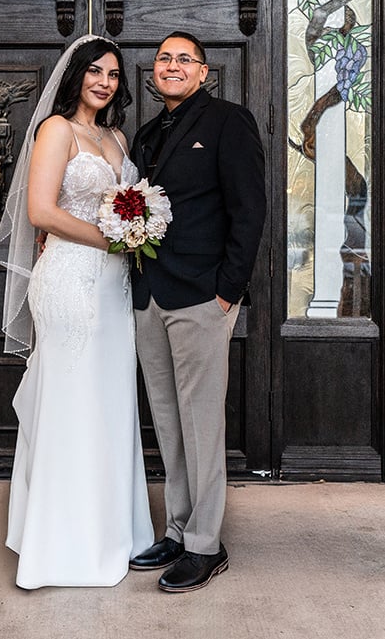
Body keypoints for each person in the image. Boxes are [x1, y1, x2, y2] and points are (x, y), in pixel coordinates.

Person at [0, 35, 154, 589]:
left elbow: (124, 206)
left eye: (113, 74)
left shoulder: (116, 135)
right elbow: (41, 210)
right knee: (71, 397)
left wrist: (133, 235)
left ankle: (114, 531)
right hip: (69, 280)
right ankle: (60, 544)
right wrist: (113, 241)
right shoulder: (56, 129)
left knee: (108, 400)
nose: (105, 82)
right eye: (95, 72)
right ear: (76, 75)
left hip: (113, 287)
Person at [129, 31, 266, 594]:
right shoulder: (145, 133)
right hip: (149, 296)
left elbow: (250, 209)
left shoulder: (229, 122)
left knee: (202, 423)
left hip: (202, 297)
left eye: (184, 58)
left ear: (204, 72)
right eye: (164, 59)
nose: (173, 65)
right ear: (154, 73)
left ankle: (207, 545)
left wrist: (228, 291)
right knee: (168, 420)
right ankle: (179, 528)